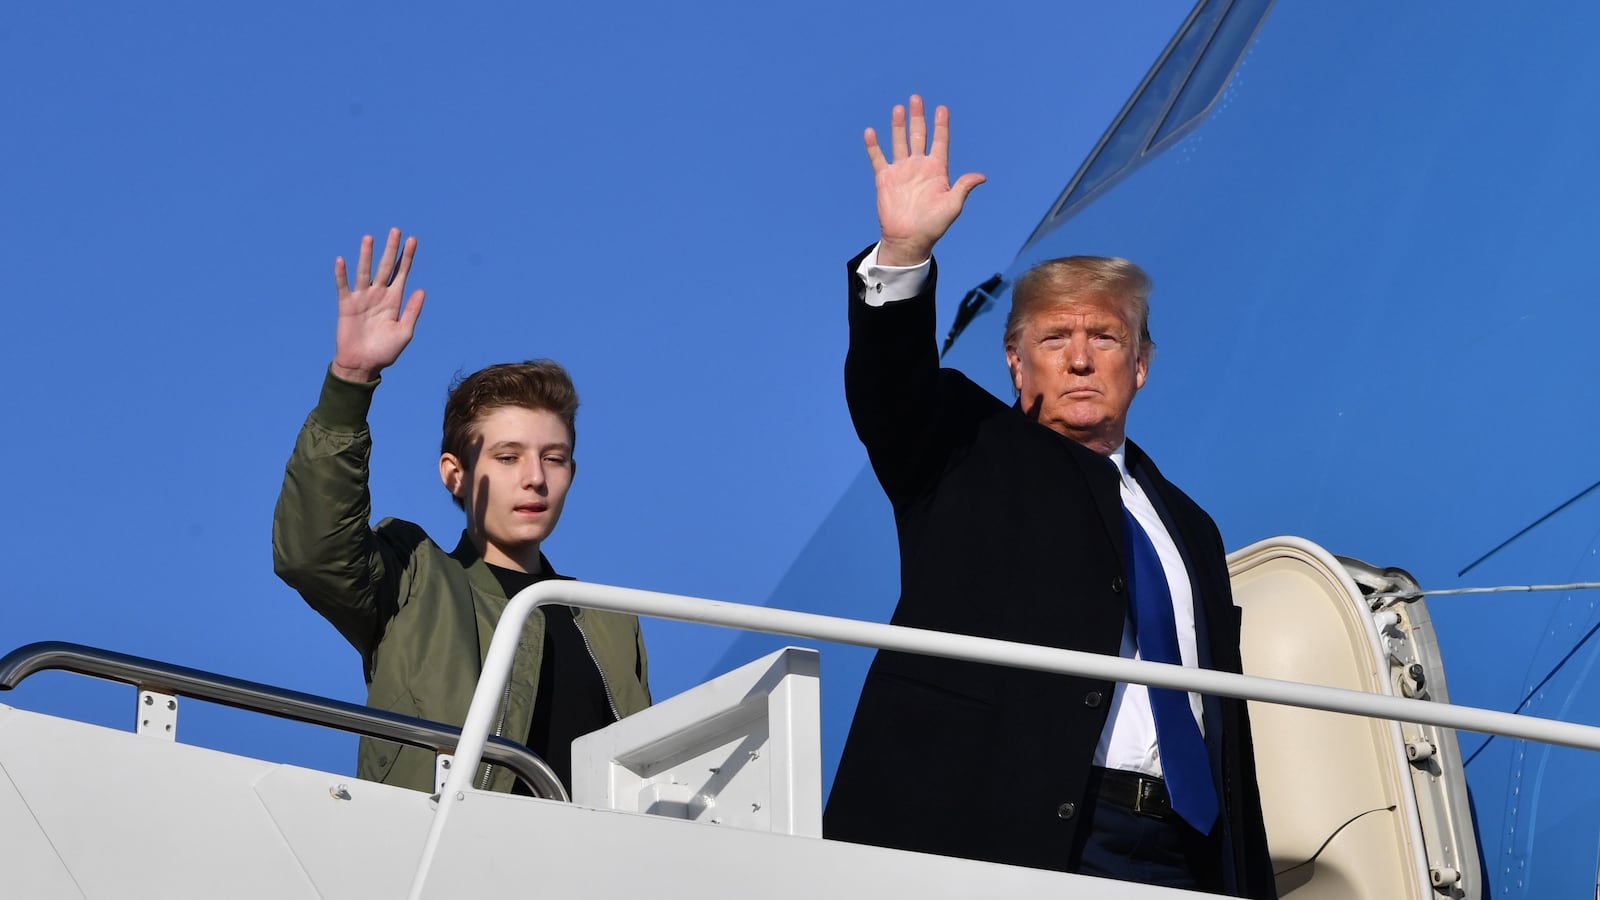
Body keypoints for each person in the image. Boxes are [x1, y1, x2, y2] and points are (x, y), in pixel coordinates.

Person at [822, 97, 1276, 897]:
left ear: (1140, 365)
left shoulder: (1190, 527)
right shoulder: (965, 448)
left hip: (1184, 849)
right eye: (1052, 340)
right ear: (1013, 363)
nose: (1077, 359)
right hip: (1014, 830)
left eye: (1103, 338)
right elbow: (890, 386)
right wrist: (901, 252)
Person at [272, 229, 650, 796]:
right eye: (507, 456)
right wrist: (349, 383)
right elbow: (312, 553)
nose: (534, 477)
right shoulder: (413, 580)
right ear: (455, 473)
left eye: (555, 458)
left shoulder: (609, 620)